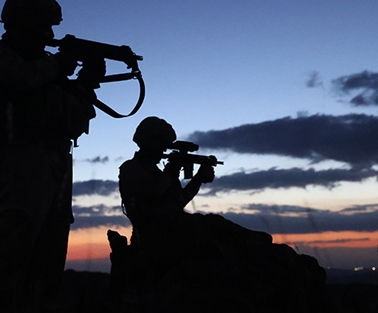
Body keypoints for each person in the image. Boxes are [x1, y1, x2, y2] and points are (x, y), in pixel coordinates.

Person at [0, 0, 105, 313]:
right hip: (22, 161)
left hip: (55, 162)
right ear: (24, 26)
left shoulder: (45, 66)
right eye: (45, 28)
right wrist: (62, 63)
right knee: (14, 247)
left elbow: (69, 115)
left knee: (50, 249)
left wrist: (86, 82)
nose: (50, 35)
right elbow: (24, 80)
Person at [114, 116, 272, 287]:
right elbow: (155, 190)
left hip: (172, 229)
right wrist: (172, 169)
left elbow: (177, 203)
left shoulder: (160, 172)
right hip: (152, 237)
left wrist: (198, 179)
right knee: (210, 227)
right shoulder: (130, 168)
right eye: (162, 144)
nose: (164, 150)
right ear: (150, 142)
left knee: (214, 223)